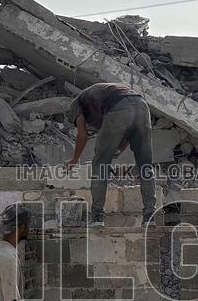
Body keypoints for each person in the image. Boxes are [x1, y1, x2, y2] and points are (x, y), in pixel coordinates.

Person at [64, 82, 156, 226]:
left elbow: (82, 135)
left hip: (119, 107)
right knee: (145, 165)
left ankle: (97, 217)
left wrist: (74, 159)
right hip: (142, 106)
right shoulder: (99, 99)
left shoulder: (77, 105)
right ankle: (150, 216)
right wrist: (119, 149)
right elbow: (126, 131)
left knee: (100, 165)